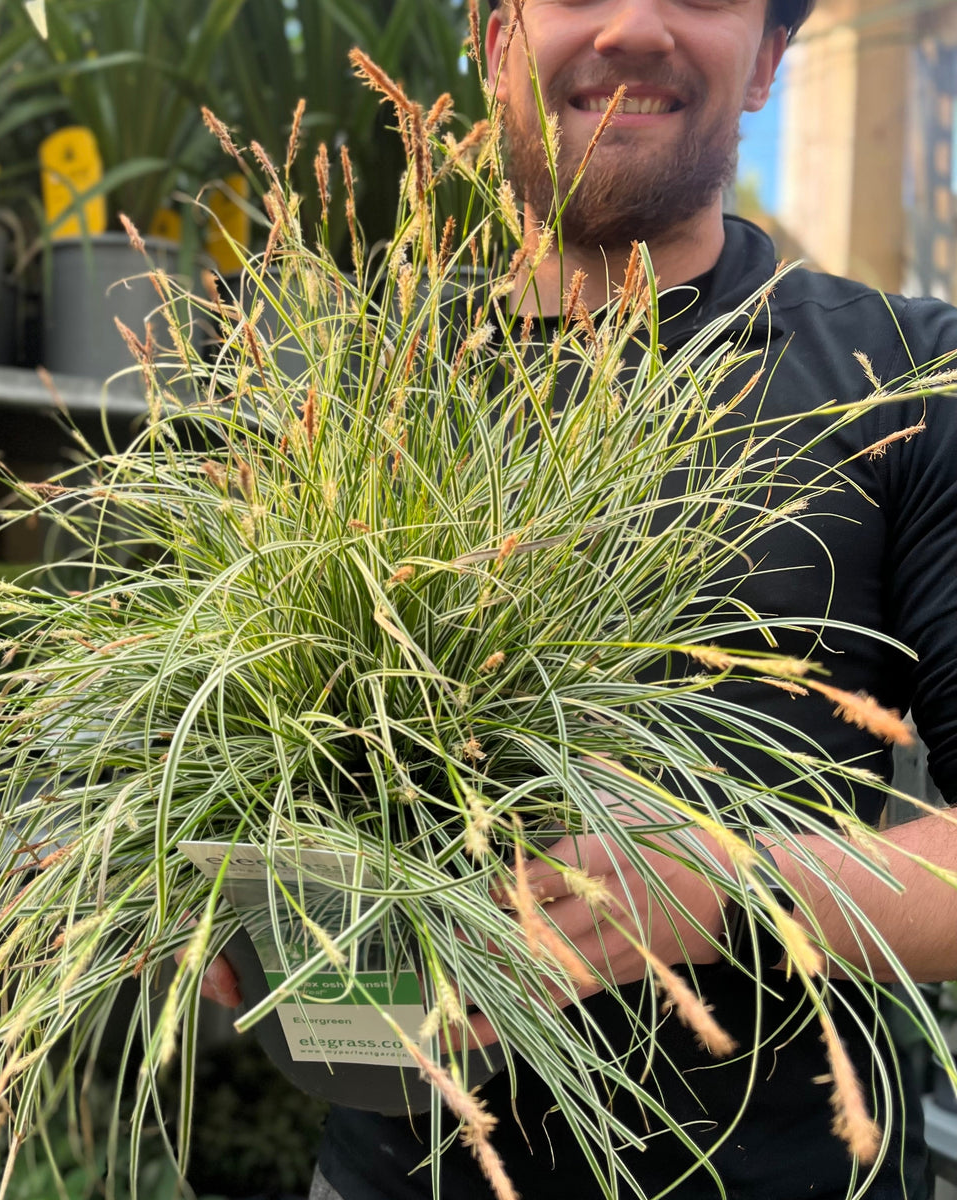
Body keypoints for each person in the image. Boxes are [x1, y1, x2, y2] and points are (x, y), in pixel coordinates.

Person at [204, 1, 957, 1196]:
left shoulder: (901, 380)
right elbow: (247, 758)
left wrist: (728, 888)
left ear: (766, 59)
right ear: (495, 39)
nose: (634, 25)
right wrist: (211, 888)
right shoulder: (353, 386)